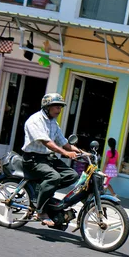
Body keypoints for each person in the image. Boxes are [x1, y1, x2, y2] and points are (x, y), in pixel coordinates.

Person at [22, 93, 82, 227]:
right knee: (53, 177)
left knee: (72, 175)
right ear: (47, 107)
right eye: (56, 106)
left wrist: (83, 153)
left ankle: (44, 192)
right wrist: (66, 153)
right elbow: (47, 142)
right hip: (33, 158)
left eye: (60, 107)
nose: (59, 110)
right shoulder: (35, 121)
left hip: (47, 158)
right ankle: (41, 210)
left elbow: (64, 142)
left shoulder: (53, 122)